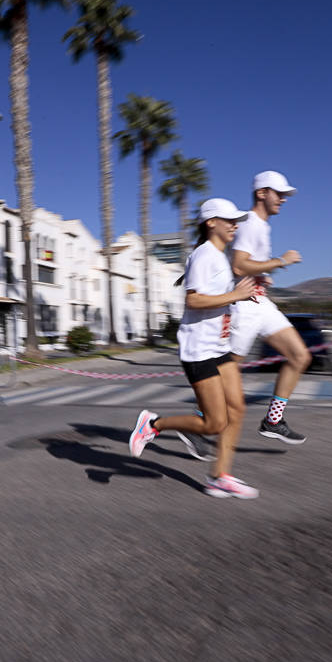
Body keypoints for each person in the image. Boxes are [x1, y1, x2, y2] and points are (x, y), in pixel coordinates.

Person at [127, 199, 260, 499]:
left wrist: (240, 295)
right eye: (229, 220)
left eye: (237, 220)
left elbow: (219, 297)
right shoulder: (203, 255)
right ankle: (153, 424)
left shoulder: (218, 257)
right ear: (211, 222)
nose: (235, 225)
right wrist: (235, 294)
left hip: (219, 347)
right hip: (199, 350)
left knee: (237, 408)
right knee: (215, 422)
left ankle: (220, 476)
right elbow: (194, 300)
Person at [229, 170, 310, 444]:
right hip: (244, 306)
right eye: (279, 193)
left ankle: (273, 421)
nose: (284, 199)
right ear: (261, 193)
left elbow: (247, 265)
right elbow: (239, 264)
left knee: (300, 357)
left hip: (261, 302)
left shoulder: (262, 225)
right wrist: (280, 261)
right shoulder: (250, 223)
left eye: (286, 195)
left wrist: (263, 274)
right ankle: (199, 420)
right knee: (226, 371)